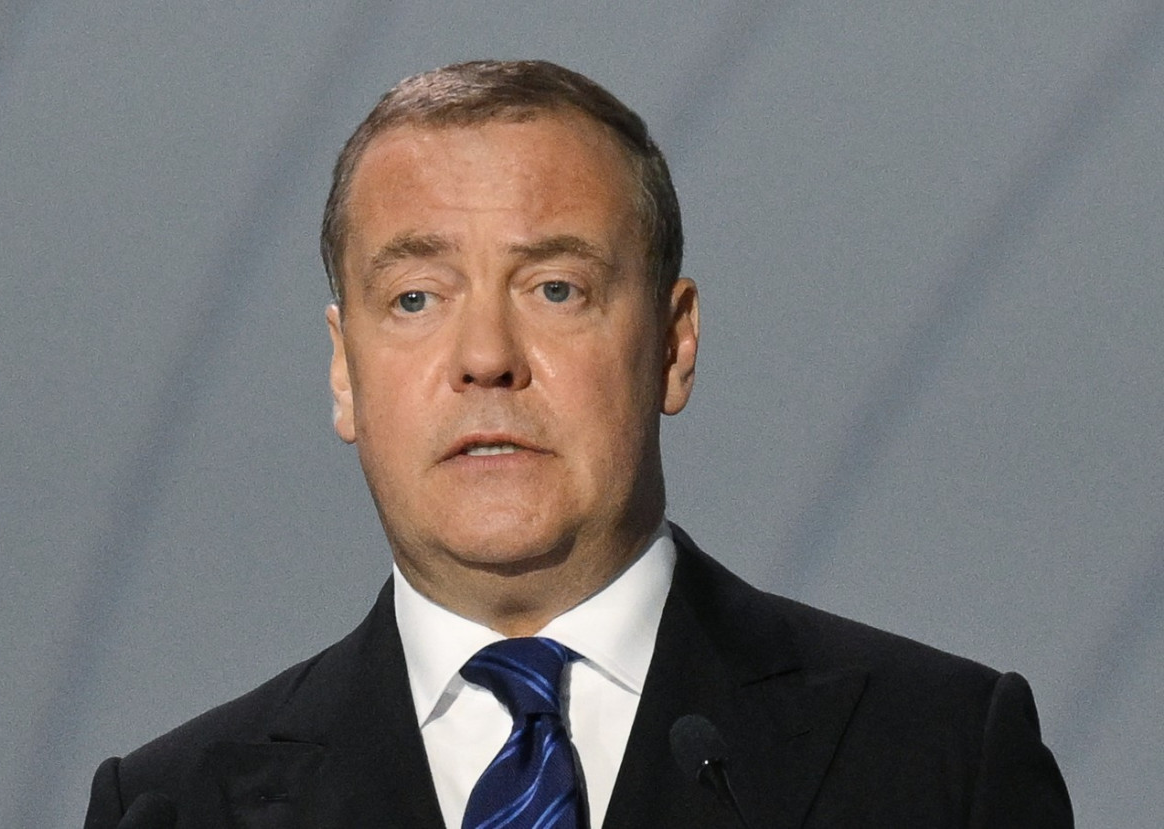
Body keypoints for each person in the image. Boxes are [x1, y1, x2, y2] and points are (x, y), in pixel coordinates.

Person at [83, 60, 1073, 828]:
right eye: (416, 299)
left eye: (555, 289)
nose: (485, 357)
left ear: (673, 346)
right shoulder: (175, 806)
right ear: (345, 370)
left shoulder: (938, 757)